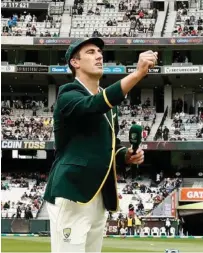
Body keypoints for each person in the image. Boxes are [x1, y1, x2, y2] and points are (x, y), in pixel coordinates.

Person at [43, 37, 158, 252]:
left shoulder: (108, 104)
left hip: (99, 194)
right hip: (72, 192)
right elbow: (93, 104)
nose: (99, 55)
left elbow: (108, 148)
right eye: (90, 52)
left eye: (99, 51)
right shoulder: (67, 94)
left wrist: (126, 155)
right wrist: (137, 73)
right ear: (74, 63)